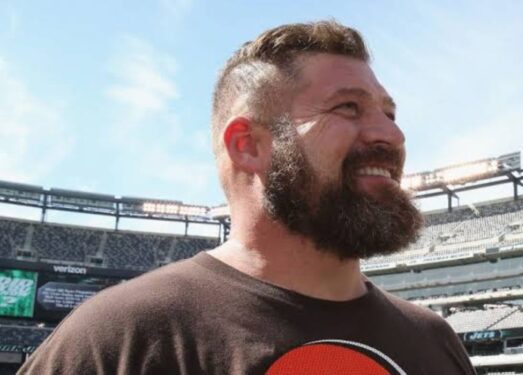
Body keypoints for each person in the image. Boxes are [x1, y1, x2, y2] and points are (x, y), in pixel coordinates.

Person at [19, 20, 476, 374]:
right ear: (249, 145)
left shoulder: (434, 341)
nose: (391, 134)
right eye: (348, 107)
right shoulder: (122, 337)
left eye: (389, 112)